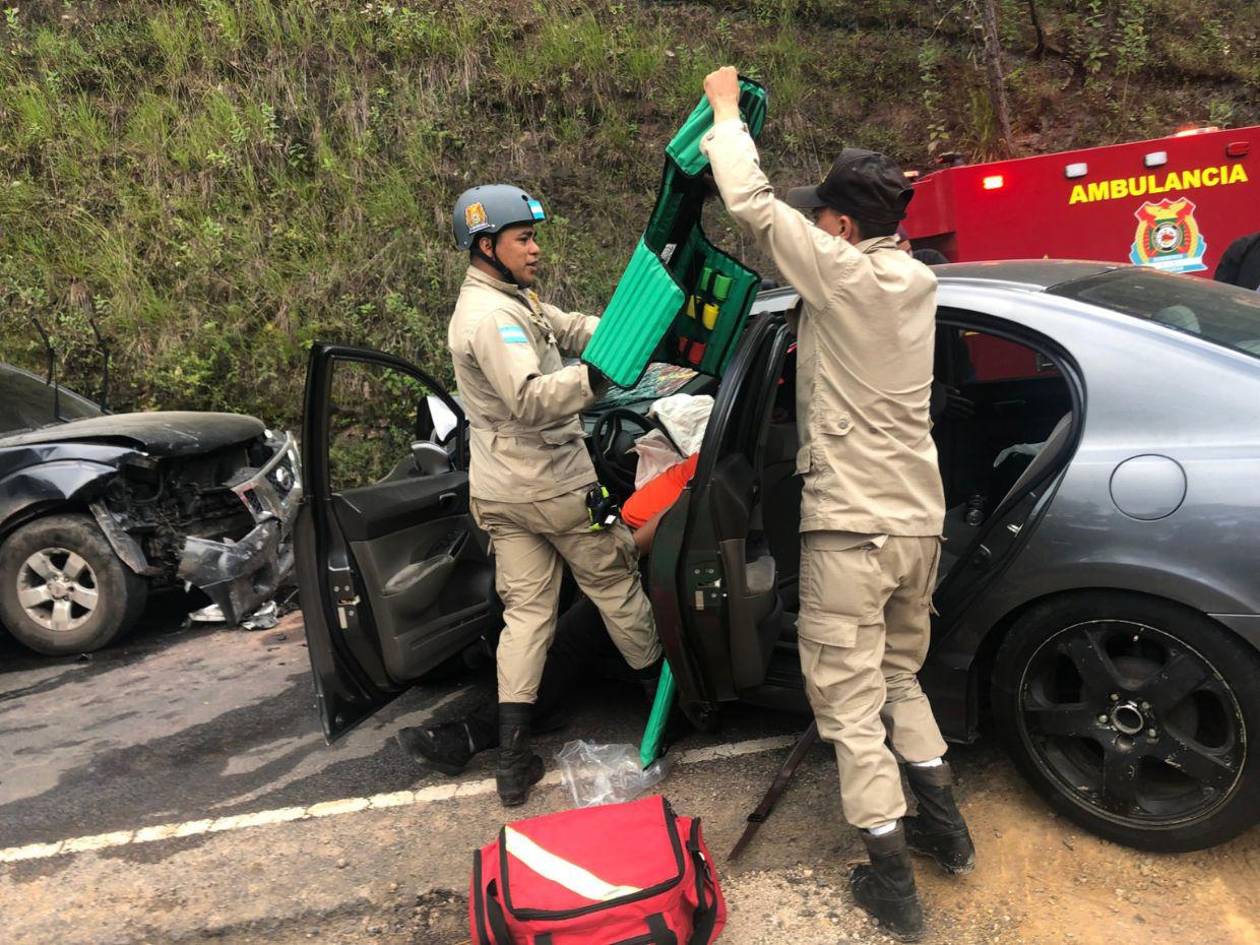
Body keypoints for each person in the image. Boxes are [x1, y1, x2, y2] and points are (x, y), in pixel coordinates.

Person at [699, 66, 974, 940]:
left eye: (824, 215)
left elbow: (749, 203)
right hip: (916, 527)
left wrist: (725, 111)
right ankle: (949, 831)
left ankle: (891, 879)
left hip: (851, 529)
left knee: (848, 700)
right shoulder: (919, 284)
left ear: (846, 227)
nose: (814, 224)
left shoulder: (847, 277)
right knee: (899, 675)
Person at [442, 184, 661, 806]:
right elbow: (533, 398)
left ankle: (513, 763)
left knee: (527, 616)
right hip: (552, 483)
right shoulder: (491, 319)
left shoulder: (508, 298)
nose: (536, 248)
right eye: (523, 238)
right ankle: (666, 710)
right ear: (487, 245)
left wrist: (630, 334)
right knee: (616, 584)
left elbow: (566, 326)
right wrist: (600, 373)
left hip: (501, 492)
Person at [396, 452, 698, 775]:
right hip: (619, 540)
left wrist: (621, 552)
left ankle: (475, 733)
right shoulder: (714, 440)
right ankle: (519, 706)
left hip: (646, 557)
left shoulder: (725, 448)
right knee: (533, 618)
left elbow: (680, 511)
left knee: (567, 635)